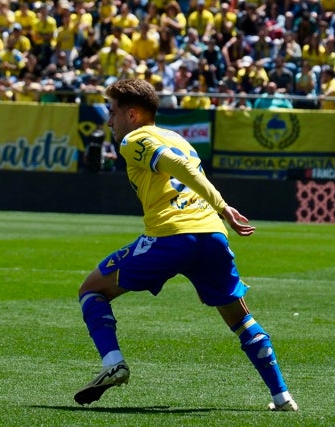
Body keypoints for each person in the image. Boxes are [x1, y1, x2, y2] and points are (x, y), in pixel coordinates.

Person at [73, 79, 297, 412]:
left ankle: (113, 362)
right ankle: (282, 396)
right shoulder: (178, 138)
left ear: (132, 115)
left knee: (91, 289)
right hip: (211, 235)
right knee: (240, 317)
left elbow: (175, 166)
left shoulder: (135, 138)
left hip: (170, 235)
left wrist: (224, 205)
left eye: (113, 112)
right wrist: (218, 213)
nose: (109, 121)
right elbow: (187, 168)